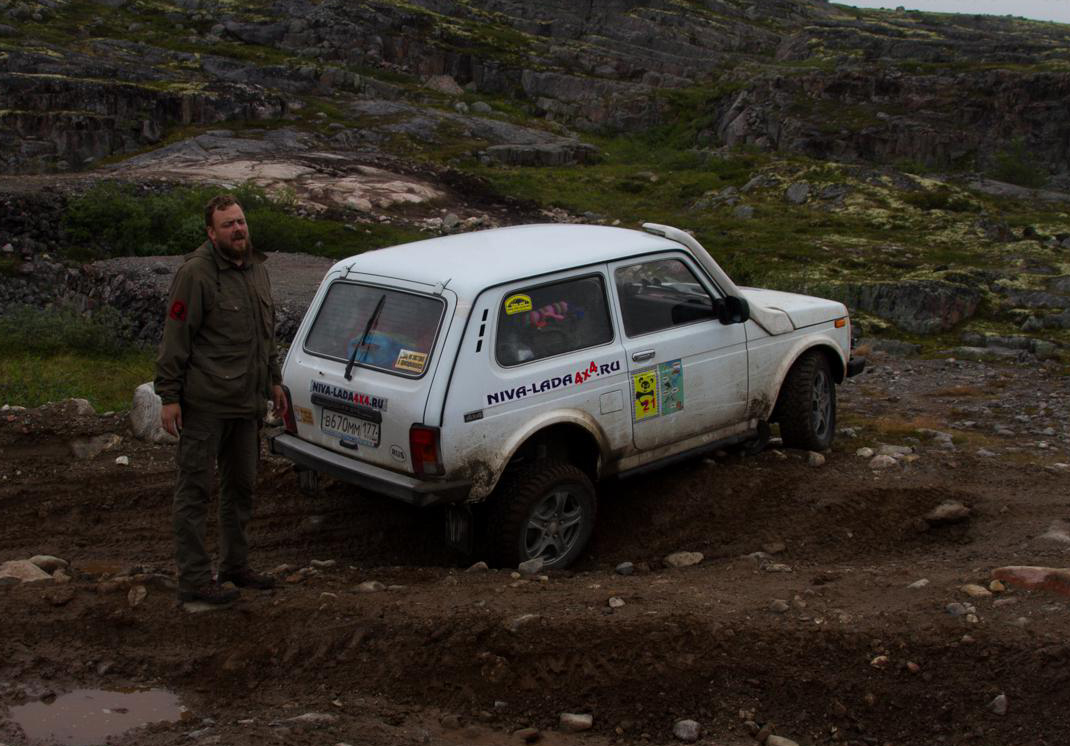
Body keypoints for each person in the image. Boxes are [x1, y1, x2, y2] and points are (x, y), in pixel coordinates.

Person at [155, 195, 288, 605]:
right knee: (195, 489)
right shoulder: (195, 275)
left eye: (241, 222)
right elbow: (176, 337)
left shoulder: (257, 271)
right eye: (228, 224)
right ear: (211, 233)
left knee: (242, 488)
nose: (238, 230)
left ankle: (235, 566)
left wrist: (275, 380)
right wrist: (169, 396)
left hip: (247, 404)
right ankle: (194, 578)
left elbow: (265, 334)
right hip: (206, 403)